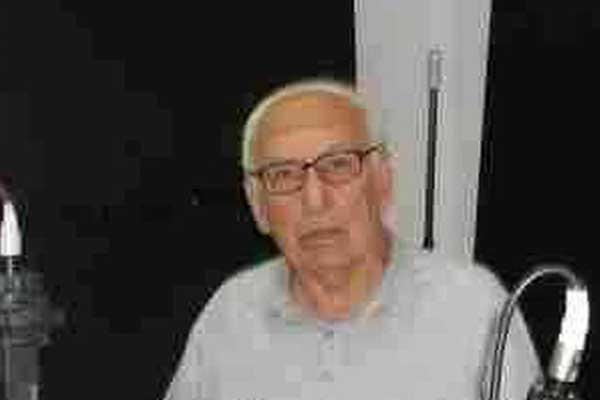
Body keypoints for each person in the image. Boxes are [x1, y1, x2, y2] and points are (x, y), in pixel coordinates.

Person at [163, 79, 540, 400]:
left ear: (383, 183)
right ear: (257, 205)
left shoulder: (474, 310)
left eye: (338, 165)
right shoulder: (229, 317)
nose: (314, 200)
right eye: (283, 175)